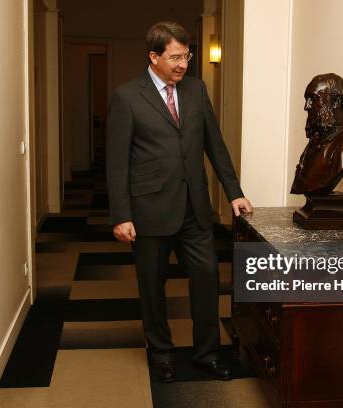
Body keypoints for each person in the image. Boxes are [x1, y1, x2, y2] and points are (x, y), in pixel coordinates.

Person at [106, 21, 252, 383]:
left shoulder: (197, 90)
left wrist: (234, 191)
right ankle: (162, 353)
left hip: (194, 208)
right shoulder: (127, 97)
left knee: (206, 280)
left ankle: (206, 353)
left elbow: (214, 146)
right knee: (152, 288)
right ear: (153, 56)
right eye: (175, 57)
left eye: (186, 56)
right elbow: (117, 162)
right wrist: (121, 215)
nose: (183, 64)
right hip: (149, 211)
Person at [291, 73, 343, 195]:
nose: (306, 106)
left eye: (313, 99)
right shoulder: (318, 138)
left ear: (335, 102)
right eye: (307, 100)